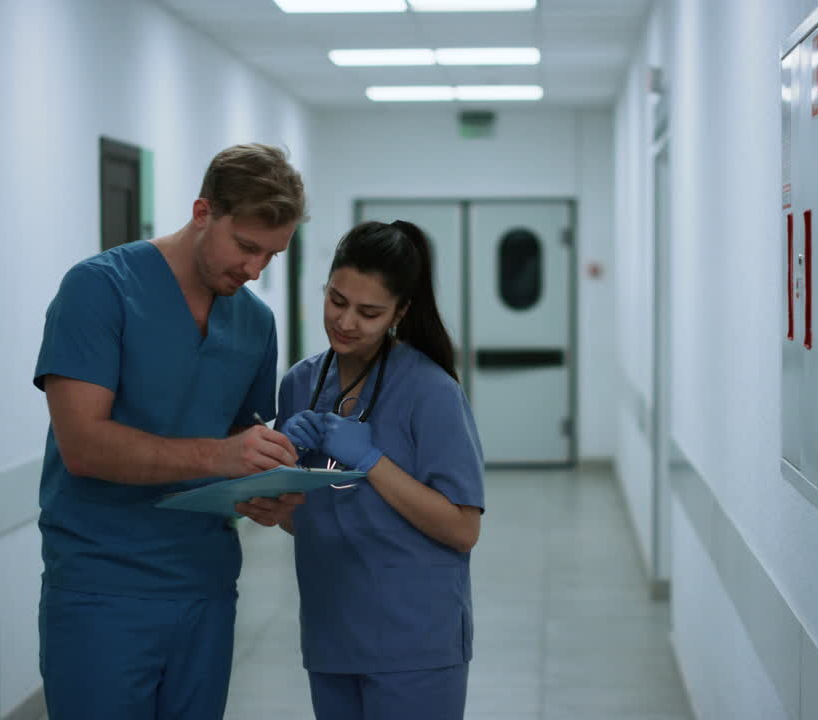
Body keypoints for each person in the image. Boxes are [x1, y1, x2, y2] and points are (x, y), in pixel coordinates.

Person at [33, 143, 307, 719]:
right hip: (102, 588)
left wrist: (266, 487)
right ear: (203, 212)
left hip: (206, 586)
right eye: (247, 247)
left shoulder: (254, 321)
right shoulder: (99, 290)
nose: (255, 270)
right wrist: (221, 457)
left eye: (272, 255)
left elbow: (240, 441)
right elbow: (83, 446)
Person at [239, 219, 485, 720]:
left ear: (400, 312)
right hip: (331, 631)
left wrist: (372, 462)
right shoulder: (300, 384)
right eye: (336, 300)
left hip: (414, 640)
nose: (346, 321)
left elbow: (463, 529)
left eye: (369, 312)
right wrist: (273, 499)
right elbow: (306, 516)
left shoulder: (431, 391)